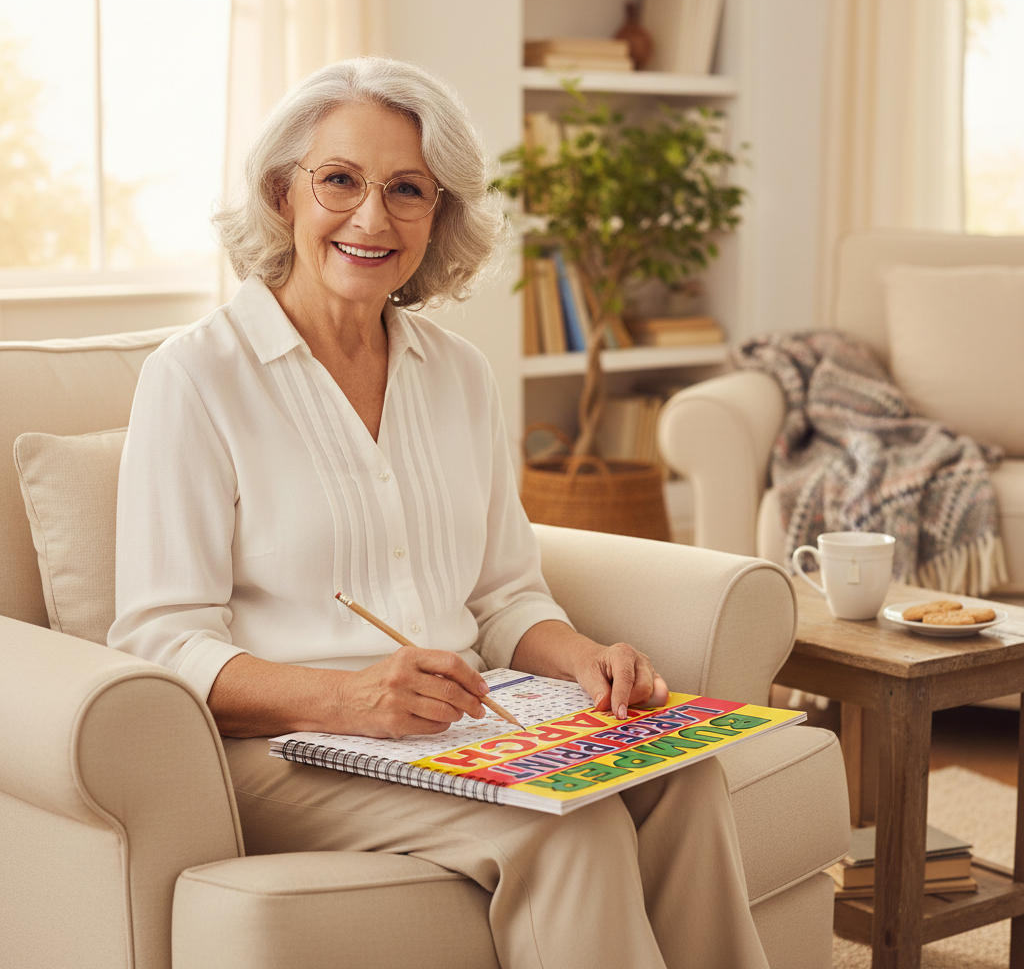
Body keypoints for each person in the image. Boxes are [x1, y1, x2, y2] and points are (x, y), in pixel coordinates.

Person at [109, 56, 769, 969]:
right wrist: (352, 698)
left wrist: (587, 661)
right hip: (289, 750)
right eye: (339, 180)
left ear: (440, 215)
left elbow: (504, 597)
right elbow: (158, 642)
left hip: (469, 728)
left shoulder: (459, 373)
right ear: (282, 194)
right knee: (565, 833)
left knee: (683, 783)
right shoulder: (195, 377)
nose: (371, 218)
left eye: (408, 190)